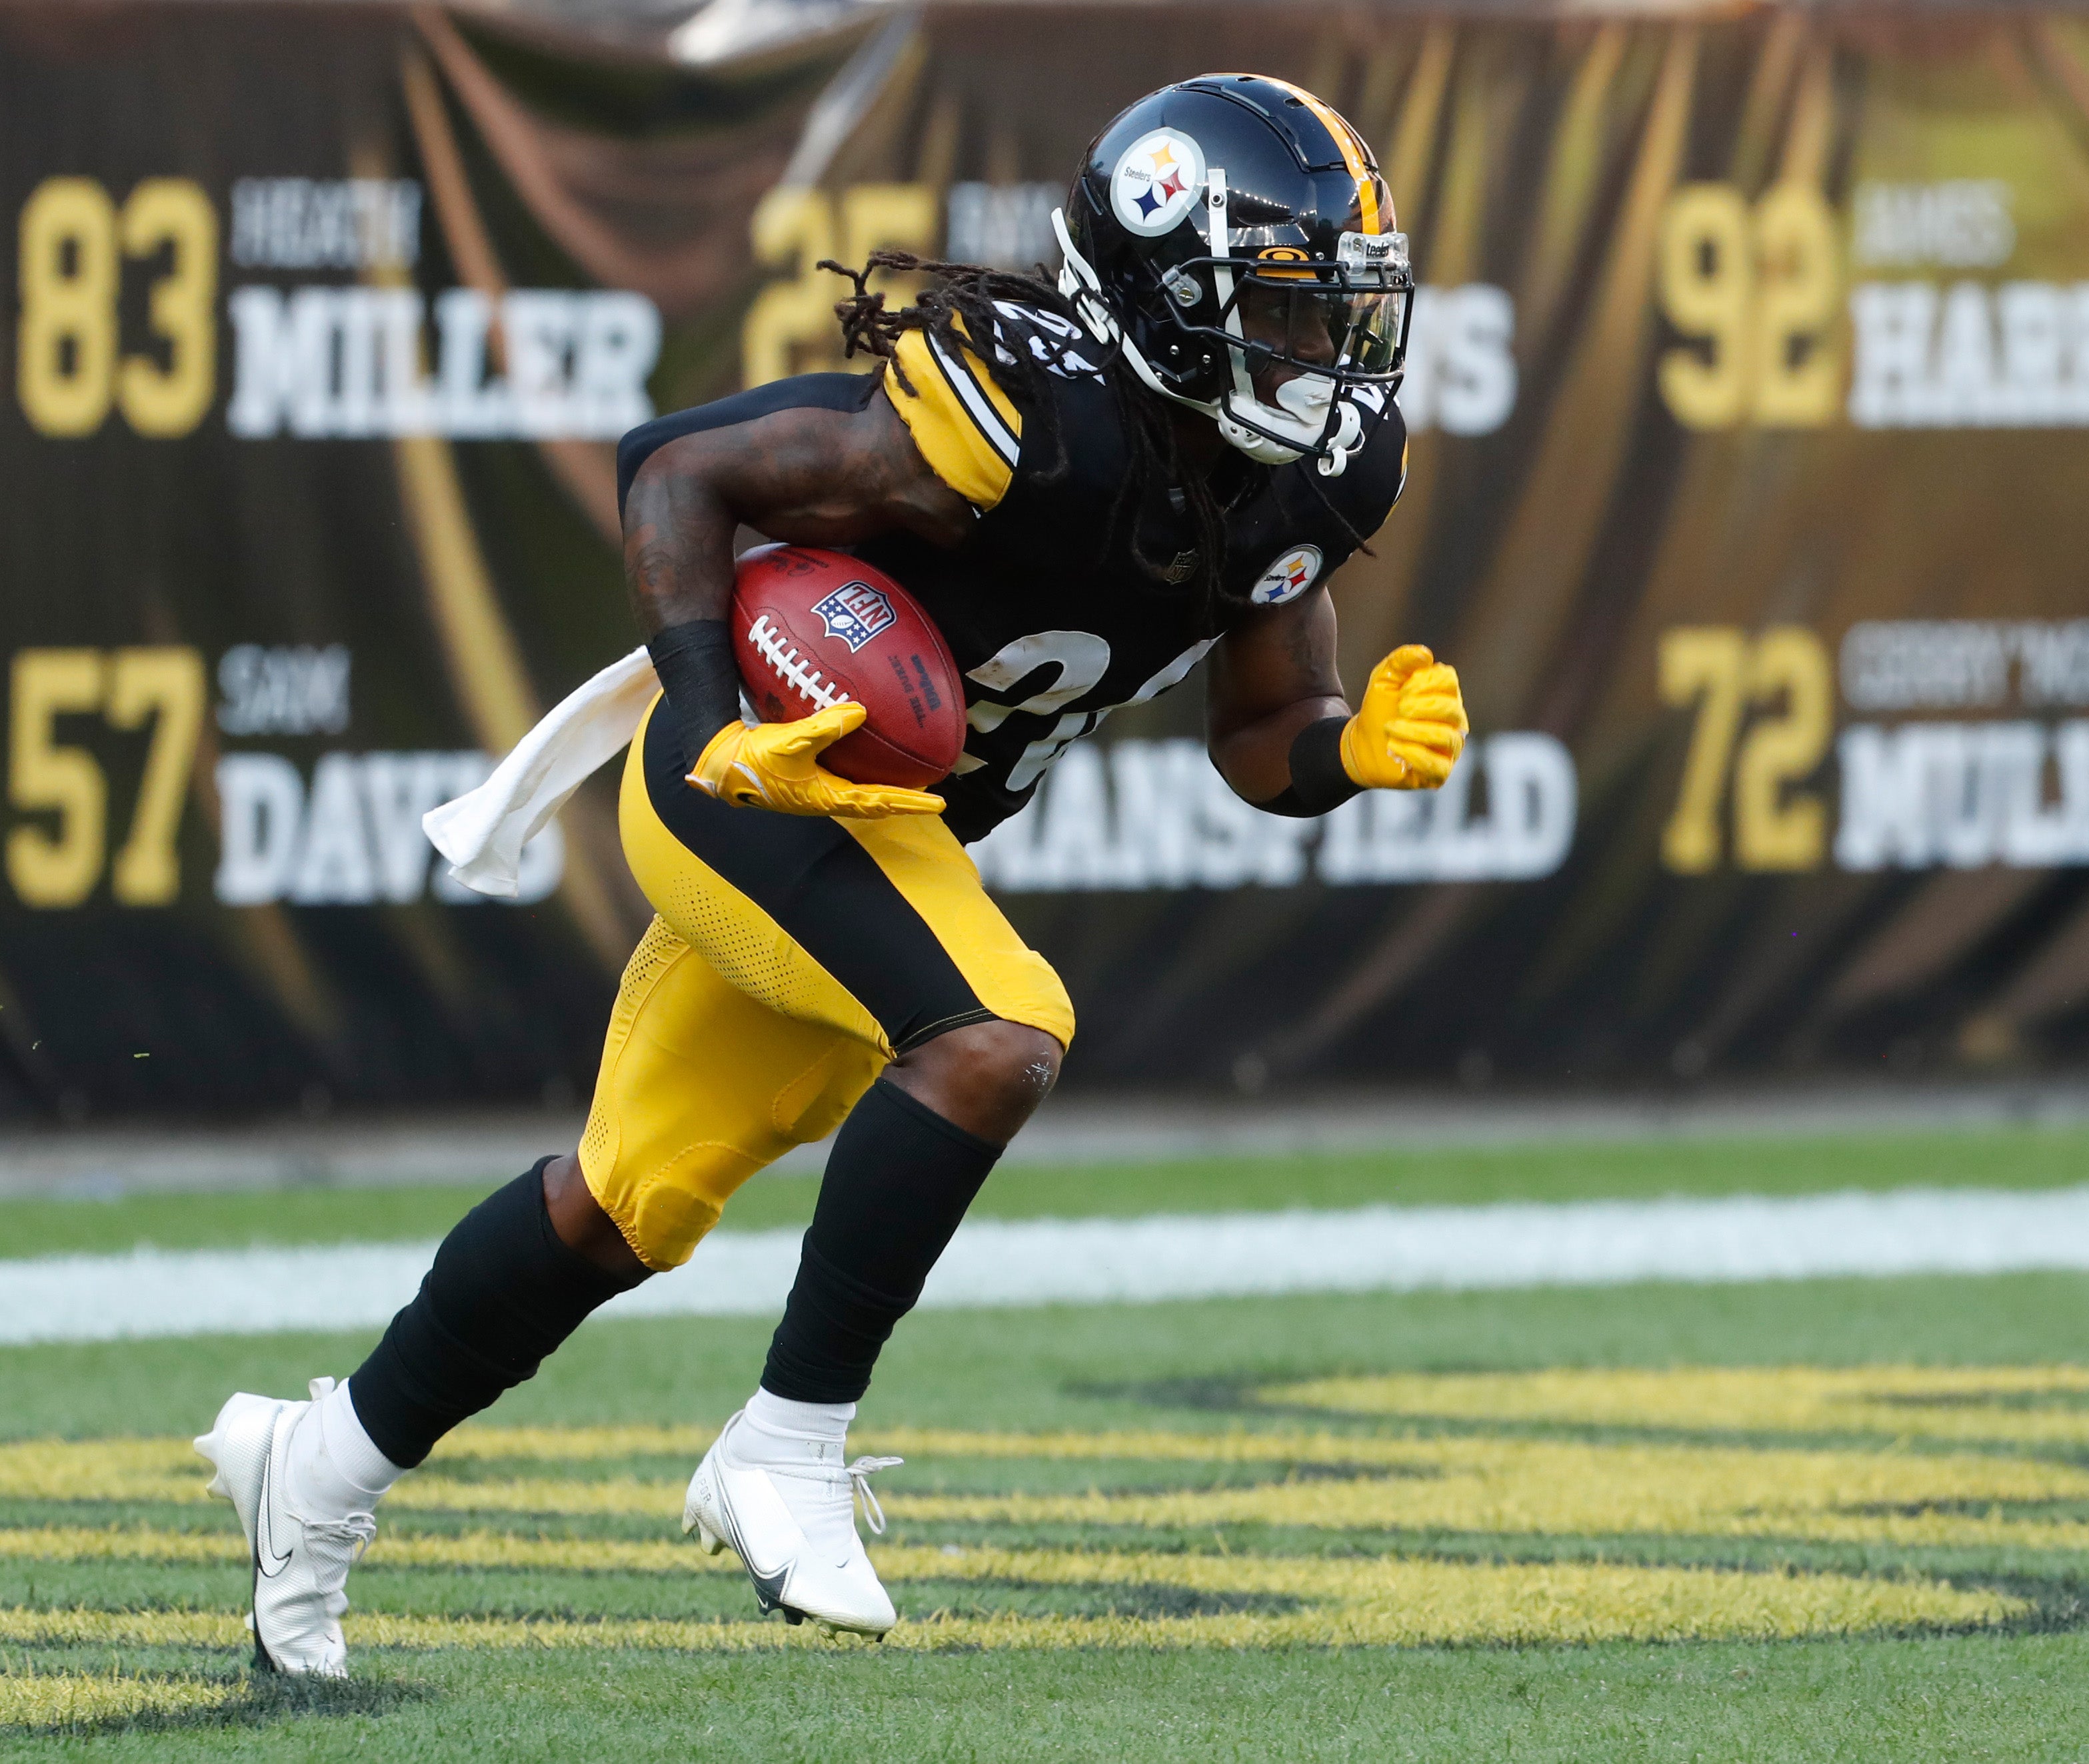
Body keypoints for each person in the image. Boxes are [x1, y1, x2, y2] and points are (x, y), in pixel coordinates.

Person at [195, 71, 1468, 1675]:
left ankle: (310, 1477)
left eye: (1334, 317)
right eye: (1279, 313)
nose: (1319, 361)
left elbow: (1265, 725)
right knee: (1000, 1031)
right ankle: (785, 1446)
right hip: (745, 776)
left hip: (890, 827)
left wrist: (1348, 753)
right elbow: (676, 468)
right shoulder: (1028, 411)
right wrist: (723, 721)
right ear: (1162, 286)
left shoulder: (1314, 475)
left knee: (627, 1202)